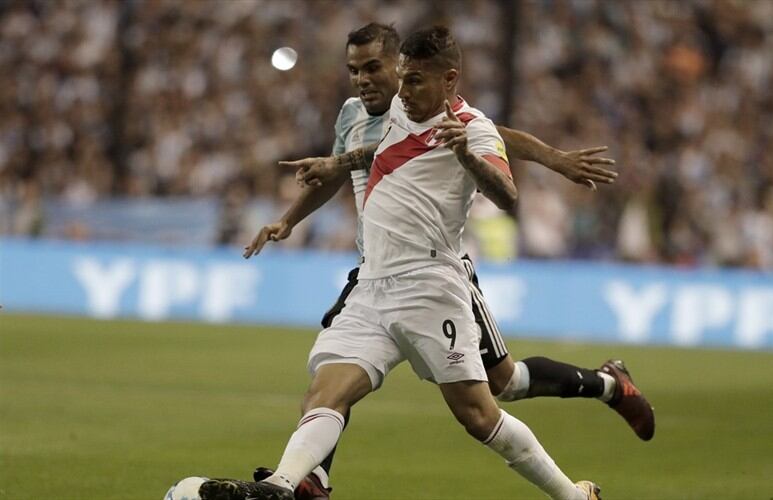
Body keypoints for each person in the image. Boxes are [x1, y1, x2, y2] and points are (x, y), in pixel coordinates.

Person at [237, 23, 653, 500]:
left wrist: (534, 158)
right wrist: (333, 169)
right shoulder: (385, 109)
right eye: (394, 75)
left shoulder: (471, 128)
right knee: (326, 389)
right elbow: (389, 145)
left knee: (490, 402)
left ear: (448, 79)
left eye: (406, 78)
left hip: (431, 283)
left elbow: (506, 190)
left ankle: (583, 467)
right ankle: (284, 486)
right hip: (372, 282)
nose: (395, 87)